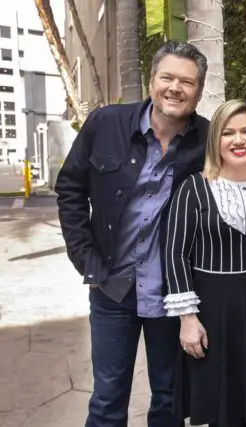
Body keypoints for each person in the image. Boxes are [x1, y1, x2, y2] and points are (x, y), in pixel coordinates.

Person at [55, 40, 209, 426]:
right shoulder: (106, 123)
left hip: (174, 294)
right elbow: (70, 188)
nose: (175, 88)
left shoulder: (208, 140)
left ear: (199, 91)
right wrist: (86, 260)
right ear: (152, 80)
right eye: (167, 77)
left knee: (169, 399)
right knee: (107, 400)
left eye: (187, 82)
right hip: (113, 288)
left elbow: (243, 170)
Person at [163, 99, 246, 427]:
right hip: (217, 316)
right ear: (215, 141)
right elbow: (175, 253)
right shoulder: (195, 187)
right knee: (225, 410)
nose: (238, 140)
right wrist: (187, 319)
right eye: (228, 132)